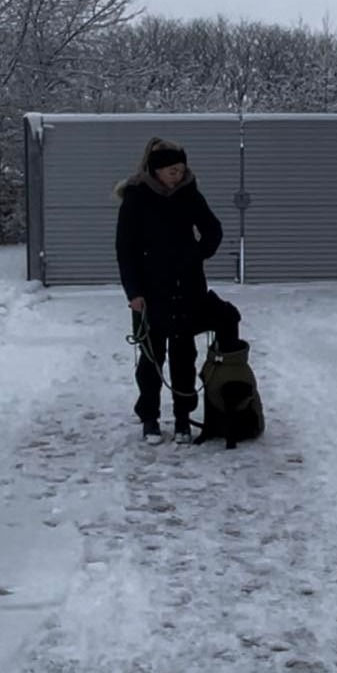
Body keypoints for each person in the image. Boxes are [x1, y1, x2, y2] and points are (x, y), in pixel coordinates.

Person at [115, 137, 242, 444]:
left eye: (181, 169)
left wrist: (198, 253)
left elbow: (213, 228)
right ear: (157, 170)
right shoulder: (136, 197)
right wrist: (133, 292)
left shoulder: (189, 195)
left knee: (184, 354)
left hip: (188, 288)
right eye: (172, 170)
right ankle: (150, 419)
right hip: (149, 291)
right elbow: (125, 248)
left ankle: (184, 417)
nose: (178, 174)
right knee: (150, 358)